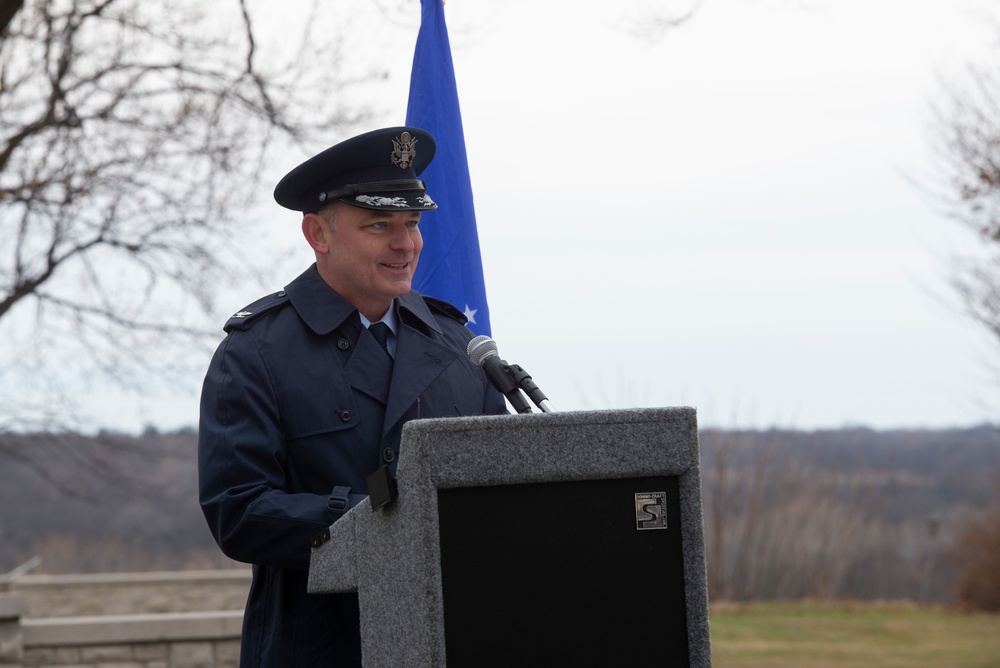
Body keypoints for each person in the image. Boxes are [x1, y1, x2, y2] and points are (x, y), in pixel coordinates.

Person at [197, 126, 508, 667]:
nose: (405, 244)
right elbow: (238, 511)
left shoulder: (461, 345)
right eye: (379, 225)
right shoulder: (257, 353)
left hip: (453, 640)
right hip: (319, 646)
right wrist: (383, 521)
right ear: (318, 234)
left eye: (412, 223)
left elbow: (504, 486)